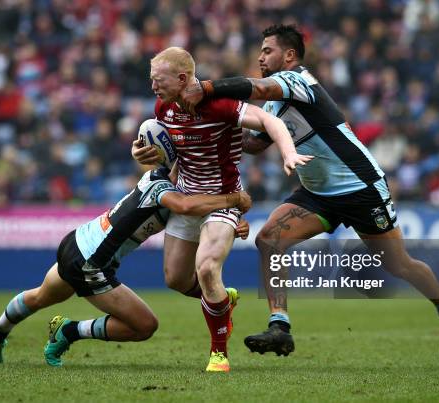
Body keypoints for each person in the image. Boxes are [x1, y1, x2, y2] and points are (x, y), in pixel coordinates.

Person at [180, 24, 439, 364]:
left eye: (267, 50)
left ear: (289, 55)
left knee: (398, 263)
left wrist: (206, 89)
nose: (260, 56)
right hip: (317, 193)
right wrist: (209, 131)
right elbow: (258, 144)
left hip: (359, 188)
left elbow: (255, 87)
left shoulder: (297, 81)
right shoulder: (277, 103)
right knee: (269, 239)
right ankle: (280, 326)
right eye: (259, 51)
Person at [132, 47, 312, 372]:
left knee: (206, 269)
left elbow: (268, 120)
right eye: (151, 80)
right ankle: (222, 302)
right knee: (175, 279)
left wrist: (288, 154)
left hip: (223, 199)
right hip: (187, 197)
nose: (153, 87)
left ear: (183, 78)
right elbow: (174, 154)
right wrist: (147, 156)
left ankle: (219, 353)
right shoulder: (163, 108)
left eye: (158, 80)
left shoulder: (219, 105)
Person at [0, 166, 251, 367]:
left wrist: (230, 220)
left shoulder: (155, 177)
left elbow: (199, 211)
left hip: (78, 240)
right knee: (145, 326)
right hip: (90, 263)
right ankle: (69, 331)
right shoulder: (163, 188)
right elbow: (186, 206)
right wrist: (234, 200)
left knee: (41, 296)